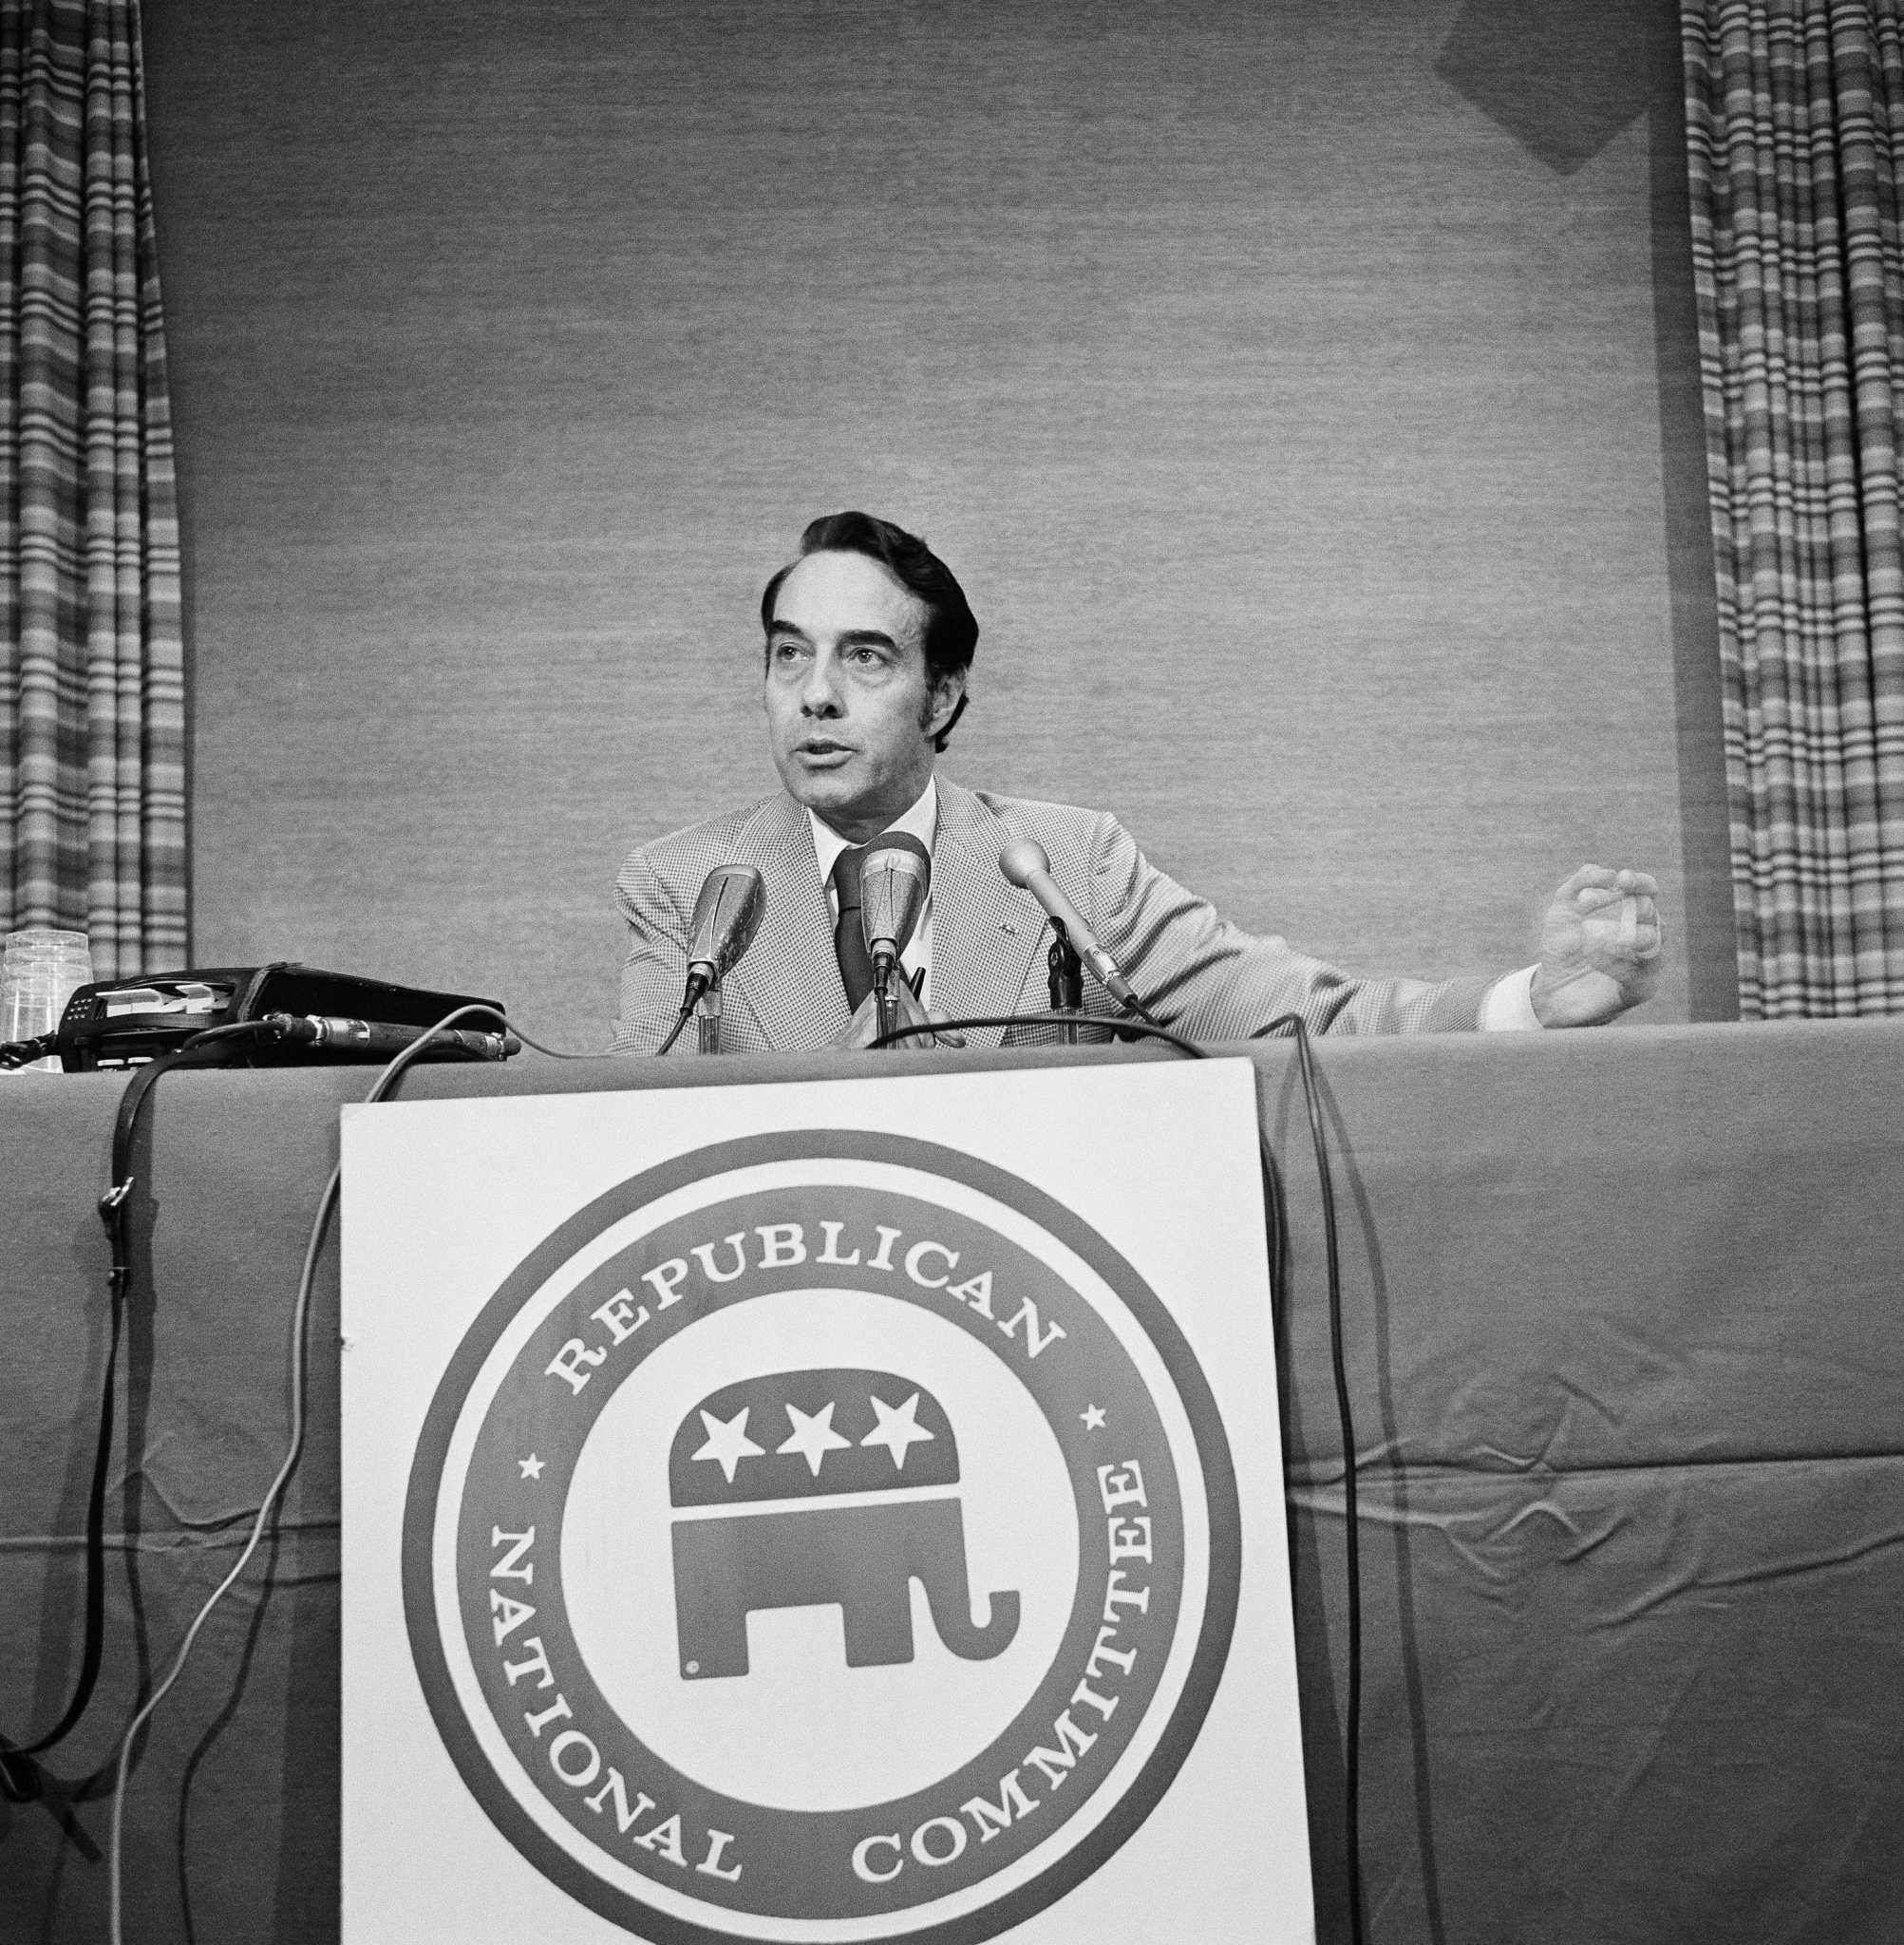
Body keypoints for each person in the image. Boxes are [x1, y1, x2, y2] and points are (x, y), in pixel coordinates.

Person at [612, 511, 1661, 1054]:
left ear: (940, 699)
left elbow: (1305, 1021)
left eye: (866, 658)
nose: (816, 695)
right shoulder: (693, 885)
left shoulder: (1065, 864)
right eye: (789, 655)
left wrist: (1531, 1000)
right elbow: (627, 1128)